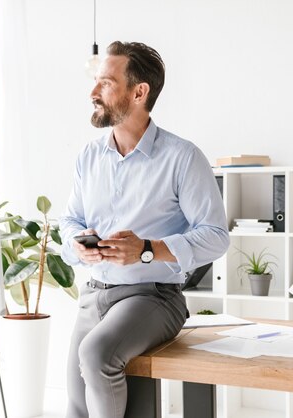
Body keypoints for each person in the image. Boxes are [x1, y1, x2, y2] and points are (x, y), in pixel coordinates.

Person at [59, 41, 230, 418]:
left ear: (139, 92)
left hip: (154, 298)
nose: (92, 93)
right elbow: (69, 220)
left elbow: (216, 237)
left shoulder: (182, 157)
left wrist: (148, 249)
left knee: (95, 353)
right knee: (74, 404)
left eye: (106, 83)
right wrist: (78, 243)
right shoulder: (89, 157)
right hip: (94, 296)